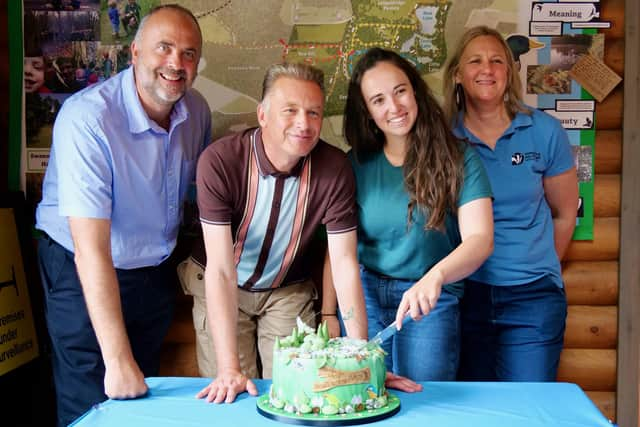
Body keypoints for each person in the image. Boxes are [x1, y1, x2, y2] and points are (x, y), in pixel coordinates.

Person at [191, 62, 419, 404]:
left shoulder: (334, 169)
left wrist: (361, 357)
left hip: (287, 289)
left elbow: (344, 263)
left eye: (314, 113)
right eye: (290, 111)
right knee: (232, 394)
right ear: (263, 115)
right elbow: (220, 269)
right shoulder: (220, 161)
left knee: (294, 393)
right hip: (223, 283)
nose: (304, 123)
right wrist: (228, 368)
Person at [35, 5, 211, 426]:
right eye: (164, 48)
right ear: (134, 53)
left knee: (139, 403)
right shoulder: (88, 119)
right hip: (81, 269)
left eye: (189, 54)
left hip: (152, 269)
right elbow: (91, 251)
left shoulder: (197, 111)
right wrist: (116, 359)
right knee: (93, 404)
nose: (176, 63)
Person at [323, 47, 494, 381]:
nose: (394, 107)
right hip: (365, 294)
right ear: (367, 112)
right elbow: (338, 250)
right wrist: (329, 311)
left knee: (425, 397)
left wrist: (436, 276)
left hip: (430, 297)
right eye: (379, 100)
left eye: (400, 91)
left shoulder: (460, 158)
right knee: (365, 392)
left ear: (414, 90)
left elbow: (480, 239)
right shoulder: (353, 164)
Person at [443, 26, 578, 381]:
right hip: (464, 294)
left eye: (496, 61)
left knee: (527, 410)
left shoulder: (544, 131)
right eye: (475, 61)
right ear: (458, 74)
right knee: (473, 411)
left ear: (510, 71)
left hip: (532, 299)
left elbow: (565, 214)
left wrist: (536, 266)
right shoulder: (443, 139)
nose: (487, 69)